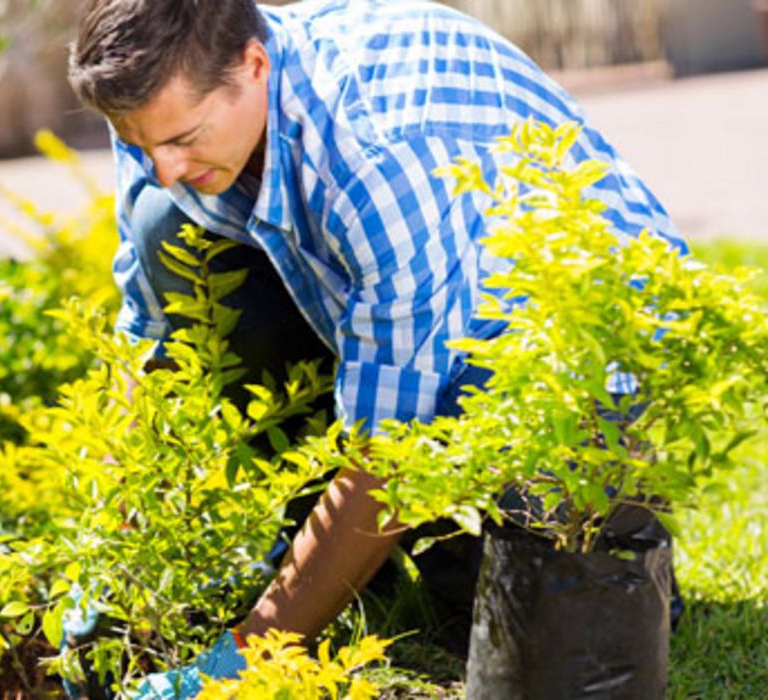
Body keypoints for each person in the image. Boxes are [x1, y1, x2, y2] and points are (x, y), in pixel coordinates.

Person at [64, 1, 686, 697]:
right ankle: (327, 560)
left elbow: (386, 453)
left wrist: (244, 660)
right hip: (402, 313)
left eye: (181, 139)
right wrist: (108, 552)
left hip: (554, 338)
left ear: (253, 65)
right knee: (163, 224)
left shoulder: (374, 151)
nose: (165, 166)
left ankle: (592, 546)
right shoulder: (157, 99)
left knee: (524, 614)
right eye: (139, 144)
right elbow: (147, 339)